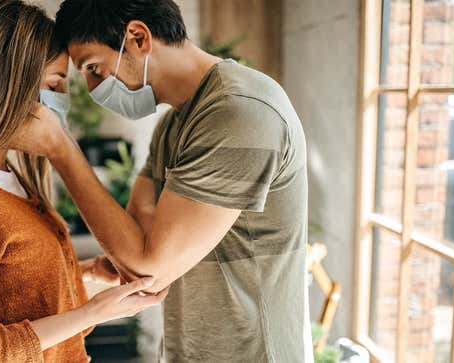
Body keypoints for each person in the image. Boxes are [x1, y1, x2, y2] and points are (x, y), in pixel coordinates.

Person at [26, 0, 314, 362]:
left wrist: (62, 149)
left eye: (95, 67)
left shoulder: (240, 111)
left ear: (137, 37)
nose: (94, 87)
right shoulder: (174, 124)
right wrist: (129, 257)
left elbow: (148, 265)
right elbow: (135, 245)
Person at [0, 1, 167, 362]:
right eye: (55, 84)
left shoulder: (10, 177)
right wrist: (93, 313)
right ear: (6, 87)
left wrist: (84, 275)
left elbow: (11, 299)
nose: (63, 102)